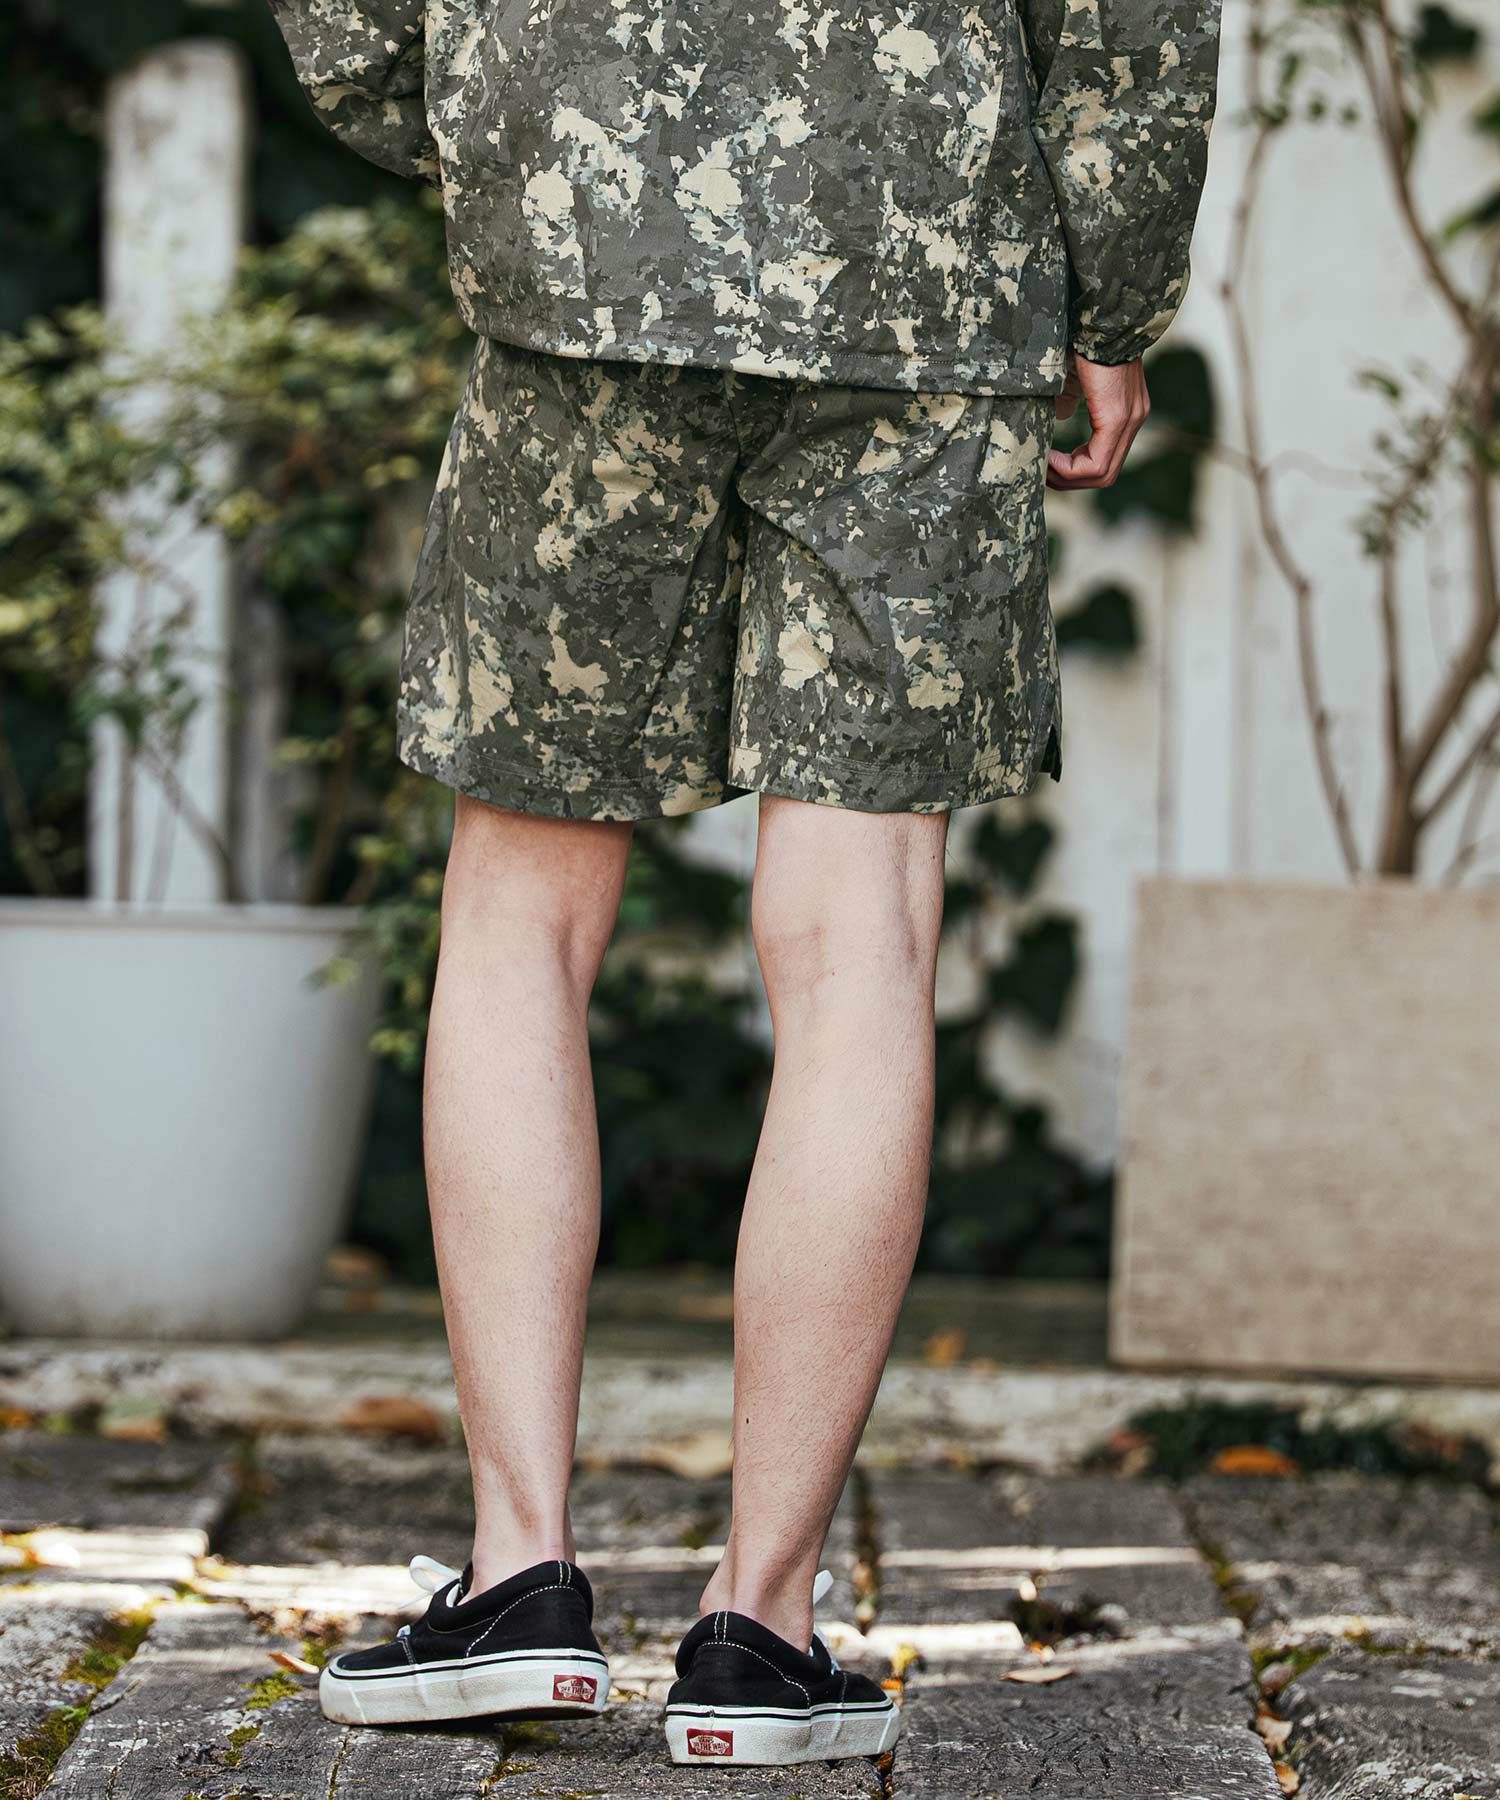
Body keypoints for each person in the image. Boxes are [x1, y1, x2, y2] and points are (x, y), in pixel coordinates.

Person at [268, 0, 1220, 1767]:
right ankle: (758, 1630)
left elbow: (352, 26)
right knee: (862, 947)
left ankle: (518, 1574)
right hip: (926, 263)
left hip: (583, 238)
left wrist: (501, 124)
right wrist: (1113, 304)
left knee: (520, 916)